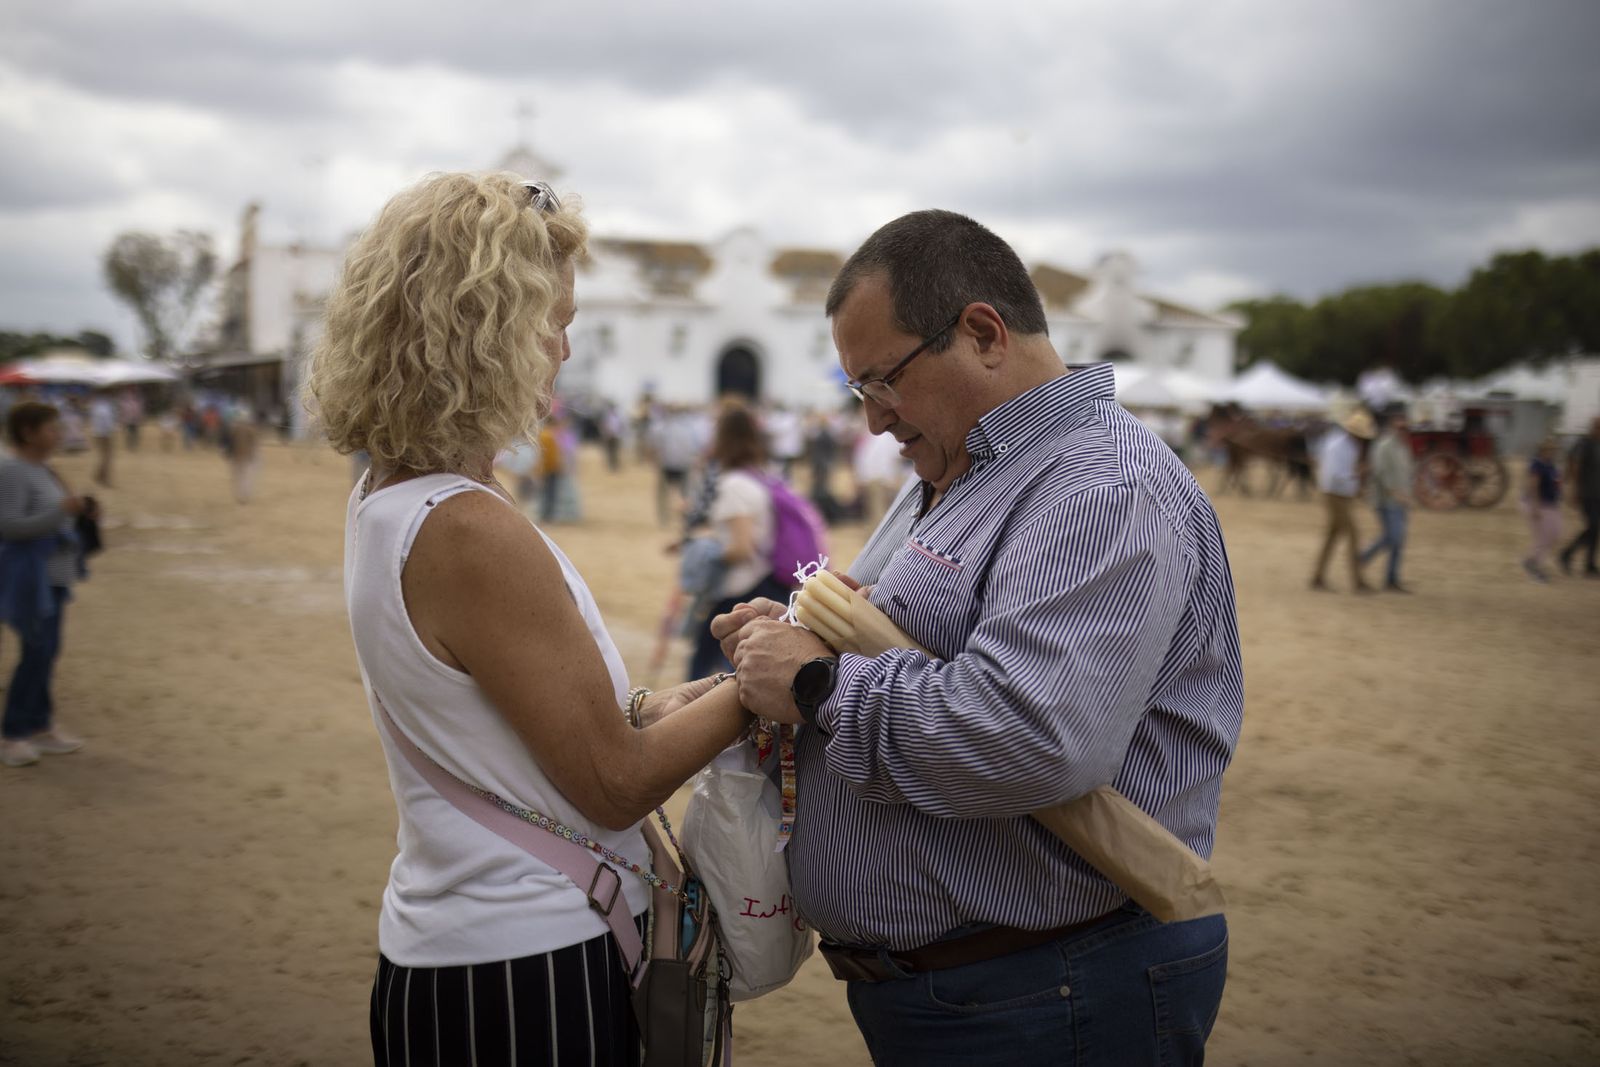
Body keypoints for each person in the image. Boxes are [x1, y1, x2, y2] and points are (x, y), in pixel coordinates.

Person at [712, 209, 1242, 1066]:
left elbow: (1032, 736)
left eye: (882, 380)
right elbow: (914, 643)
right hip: (993, 989)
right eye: (859, 392)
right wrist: (809, 633)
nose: (876, 418)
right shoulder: (966, 462)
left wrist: (817, 684)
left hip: (1049, 990)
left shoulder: (1099, 485)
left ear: (983, 333)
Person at [302, 172, 752, 1064]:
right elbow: (613, 784)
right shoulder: (466, 526)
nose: (566, 351)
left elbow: (505, 727)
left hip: (454, 946)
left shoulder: (389, 496)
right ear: (486, 333)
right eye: (556, 323)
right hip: (525, 967)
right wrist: (762, 691)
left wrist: (669, 705)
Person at [0, 402, 92, 768]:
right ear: (28, 433)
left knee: (48, 651)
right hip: (29, 574)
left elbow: (51, 516)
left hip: (53, 575)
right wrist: (62, 511)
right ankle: (13, 734)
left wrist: (79, 512)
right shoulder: (12, 471)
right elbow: (9, 527)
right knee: (36, 651)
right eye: (52, 429)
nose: (60, 435)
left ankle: (39, 725)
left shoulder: (44, 469)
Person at [687, 405, 792, 679]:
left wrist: (704, 553)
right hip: (767, 580)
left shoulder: (733, 485)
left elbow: (741, 548)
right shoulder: (764, 475)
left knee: (707, 666)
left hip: (741, 587)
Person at [1311, 408, 1376, 592]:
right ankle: (1358, 580)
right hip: (1334, 494)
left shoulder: (1347, 445)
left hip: (1342, 494)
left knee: (1332, 535)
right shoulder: (1337, 446)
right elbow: (1333, 476)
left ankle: (1318, 576)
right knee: (1353, 535)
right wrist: (1356, 474)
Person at [1358, 409, 1416, 592]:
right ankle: (1363, 558)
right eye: (1400, 427)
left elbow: (1406, 474)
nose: (1403, 430)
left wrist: (1406, 496)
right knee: (1393, 537)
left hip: (1400, 500)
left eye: (1405, 427)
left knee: (1396, 540)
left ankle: (1391, 578)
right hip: (1386, 500)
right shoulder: (1384, 446)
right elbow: (1381, 473)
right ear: (1393, 426)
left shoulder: (1403, 448)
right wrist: (1396, 493)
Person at [1560, 416, 1600, 577]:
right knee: (1593, 526)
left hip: (1598, 493)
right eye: (1597, 427)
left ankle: (1589, 565)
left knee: (1595, 529)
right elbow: (1574, 465)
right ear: (1592, 428)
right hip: (1587, 493)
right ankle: (1567, 553)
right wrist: (1574, 490)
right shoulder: (1584, 444)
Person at [1523, 439, 1563, 582]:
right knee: (1543, 537)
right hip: (1539, 504)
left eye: (1554, 449)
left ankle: (1530, 561)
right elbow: (1533, 486)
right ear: (1542, 449)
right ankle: (1536, 569)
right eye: (1549, 449)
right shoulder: (1537, 464)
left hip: (1551, 505)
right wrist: (1535, 507)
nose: (1552, 452)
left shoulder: (1551, 465)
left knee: (1556, 533)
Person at [89, 389, 116, 487]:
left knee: (104, 456)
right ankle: (104, 478)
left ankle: (99, 475)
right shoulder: (105, 406)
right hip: (105, 433)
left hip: (97, 432)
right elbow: (107, 420)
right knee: (107, 457)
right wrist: (112, 430)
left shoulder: (96, 404)